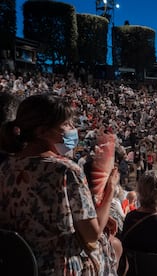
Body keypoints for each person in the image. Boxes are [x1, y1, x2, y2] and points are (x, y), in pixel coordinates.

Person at [0, 94, 120, 275]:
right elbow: (92, 235)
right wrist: (110, 189)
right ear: (40, 131)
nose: (73, 129)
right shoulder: (66, 170)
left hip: (17, 264)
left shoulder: (6, 166)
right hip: (61, 267)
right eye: (66, 124)